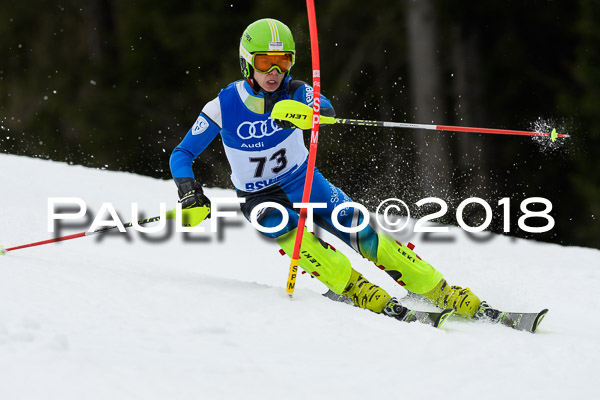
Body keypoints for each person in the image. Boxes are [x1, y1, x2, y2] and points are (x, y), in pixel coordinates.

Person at [170, 18, 491, 321]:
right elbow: (182, 153)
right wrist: (189, 192)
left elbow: (324, 106)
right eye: (265, 61)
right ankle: (355, 288)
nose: (275, 71)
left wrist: (303, 112)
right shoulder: (222, 105)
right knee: (304, 244)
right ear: (247, 62)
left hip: (304, 181)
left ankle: (437, 289)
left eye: (283, 61)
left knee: (366, 235)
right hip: (259, 198)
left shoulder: (294, 89)